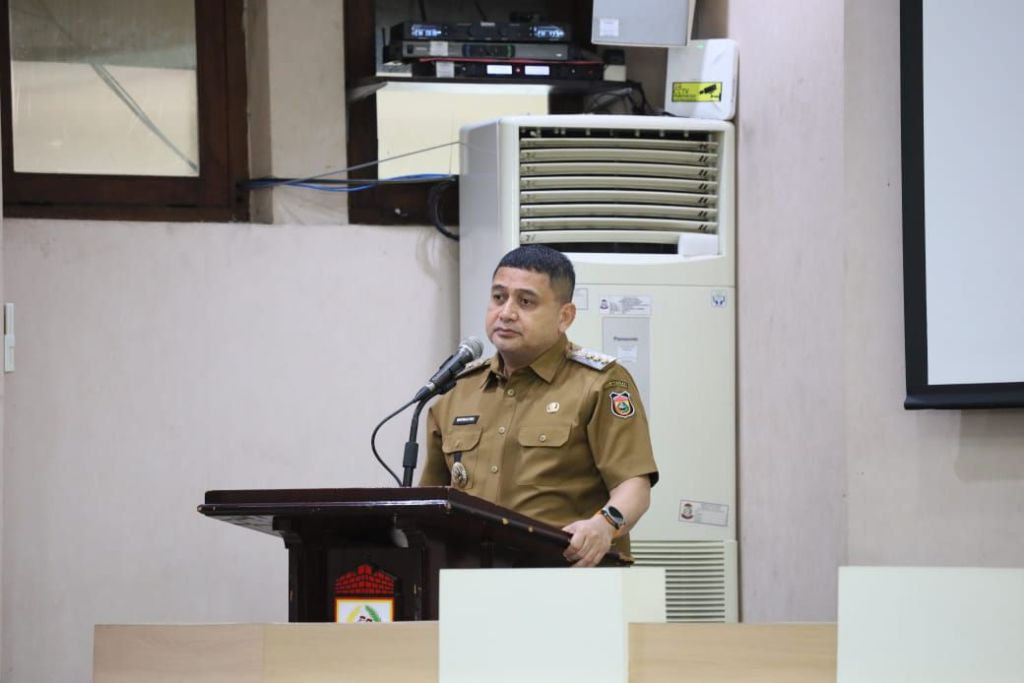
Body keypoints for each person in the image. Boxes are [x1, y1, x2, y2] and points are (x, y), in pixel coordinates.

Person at [419, 244, 658, 567]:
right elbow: (432, 500)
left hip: (565, 576)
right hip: (473, 578)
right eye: (498, 297)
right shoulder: (457, 390)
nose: (506, 313)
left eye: (526, 302)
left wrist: (603, 525)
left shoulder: (600, 383)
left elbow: (634, 485)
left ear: (564, 316)